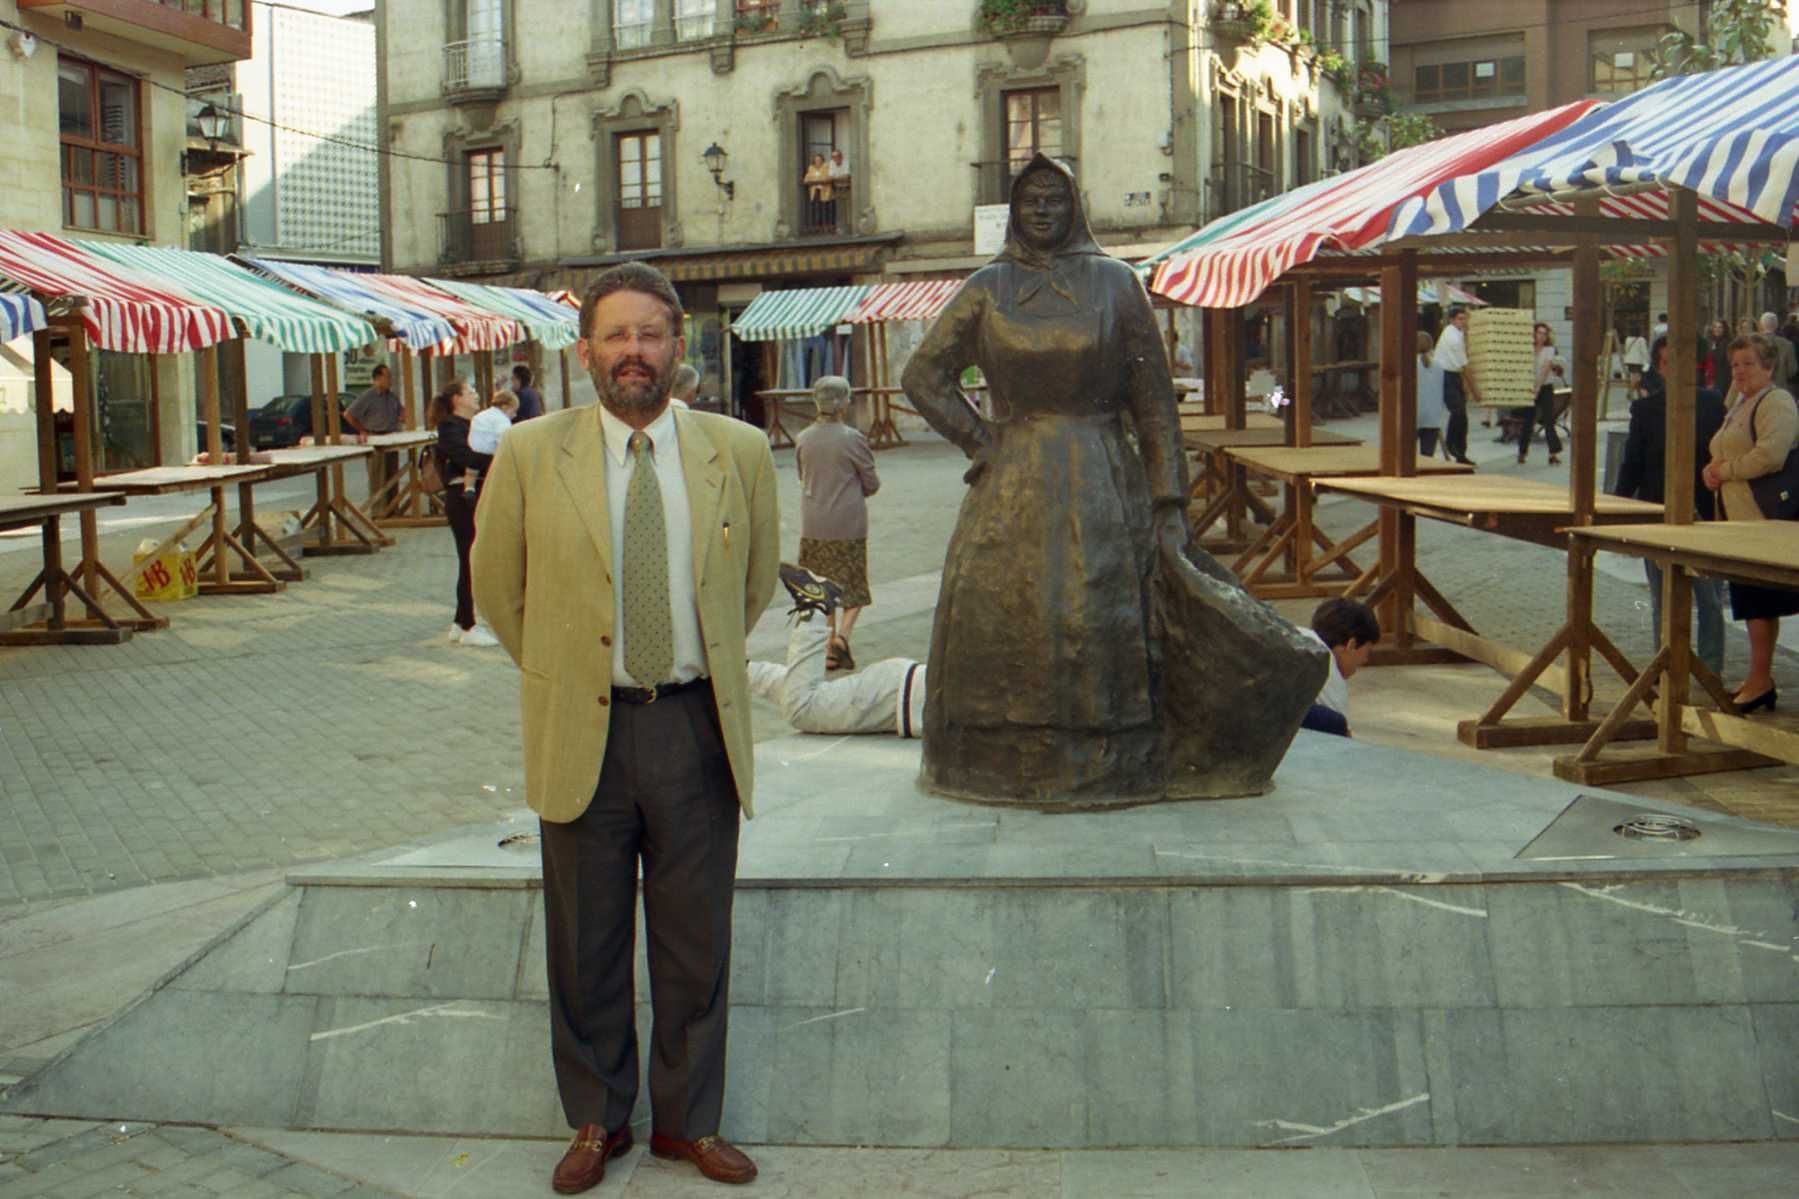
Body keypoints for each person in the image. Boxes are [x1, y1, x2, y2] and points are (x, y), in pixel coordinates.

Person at [470, 261, 777, 1193]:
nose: (633, 352)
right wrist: (568, 672)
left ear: (677, 347)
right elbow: (499, 589)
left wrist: (689, 659)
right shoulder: (529, 454)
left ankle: (688, 1123)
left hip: (691, 728)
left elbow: (752, 582)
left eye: (650, 334)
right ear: (585, 350)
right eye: (616, 335)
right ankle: (598, 1118)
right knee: (585, 937)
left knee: (694, 941)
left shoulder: (739, 451)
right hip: (583, 729)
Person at [899, 152, 1324, 803]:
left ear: (1075, 207)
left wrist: (1169, 503)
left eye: (1054, 198)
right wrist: (978, 440)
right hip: (1010, 484)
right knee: (1007, 615)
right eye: (1030, 199)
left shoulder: (1115, 283)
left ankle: (1111, 760)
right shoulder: (987, 286)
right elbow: (923, 374)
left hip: (1099, 476)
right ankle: (987, 758)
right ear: (1014, 209)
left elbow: (1153, 403)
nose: (1041, 209)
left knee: (1095, 612)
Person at [1614, 336, 1727, 679]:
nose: (1673, 369)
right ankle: (1666, 669)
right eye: (1666, 362)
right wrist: (1618, 510)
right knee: (1662, 601)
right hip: (1659, 513)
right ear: (1659, 368)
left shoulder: (1711, 404)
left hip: (1705, 515)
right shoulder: (1646, 409)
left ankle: (1710, 673)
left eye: (1679, 362)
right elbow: (1631, 463)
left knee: (1709, 601)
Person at [1703, 333, 1799, 713]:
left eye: (1748, 363)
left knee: (1760, 601)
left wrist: (1724, 471)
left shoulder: (1777, 402)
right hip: (1738, 519)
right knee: (1752, 601)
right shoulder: (1739, 402)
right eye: (1736, 363)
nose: (1740, 371)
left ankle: (1761, 681)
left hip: (1766, 519)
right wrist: (1712, 471)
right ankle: (1759, 679)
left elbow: (1771, 455)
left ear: (1768, 366)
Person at [748, 564, 926, 737]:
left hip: (905, 691)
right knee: (803, 708)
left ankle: (736, 671)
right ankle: (814, 607)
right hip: (902, 695)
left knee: (804, 693)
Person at [795, 374, 879, 671]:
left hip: (813, 524)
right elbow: (871, 483)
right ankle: (841, 638)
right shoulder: (853, 438)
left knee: (822, 587)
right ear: (844, 405)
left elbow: (801, 475)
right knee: (854, 588)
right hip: (848, 524)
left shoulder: (803, 438)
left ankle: (830, 646)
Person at [428, 379, 498, 648]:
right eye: (470, 392)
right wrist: (501, 458)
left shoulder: (472, 425)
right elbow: (466, 457)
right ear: (457, 399)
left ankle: (460, 621)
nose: (476, 395)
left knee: (470, 559)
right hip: (462, 498)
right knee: (471, 559)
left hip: (474, 495)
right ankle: (469, 624)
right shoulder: (450, 427)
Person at [1299, 598, 1379, 738]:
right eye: (1367, 652)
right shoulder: (1327, 668)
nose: (1365, 660)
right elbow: (1344, 738)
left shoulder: (1299, 634)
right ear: (1351, 645)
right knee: (1335, 723)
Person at [342, 362, 403, 503]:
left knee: (392, 475)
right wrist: (362, 430)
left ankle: (393, 508)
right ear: (377, 378)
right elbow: (348, 414)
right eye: (387, 377)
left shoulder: (392, 397)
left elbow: (400, 411)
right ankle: (378, 510)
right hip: (375, 438)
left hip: (392, 439)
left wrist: (402, 417)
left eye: (390, 377)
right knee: (378, 477)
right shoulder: (368, 396)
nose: (390, 380)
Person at [1433, 306, 1479, 465]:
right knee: (1458, 412)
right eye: (1460, 318)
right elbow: (1464, 366)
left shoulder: (1456, 333)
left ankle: (1458, 449)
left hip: (1452, 375)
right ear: (1452, 320)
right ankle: (1455, 447)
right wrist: (1475, 390)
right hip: (1446, 375)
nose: (1463, 322)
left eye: (1465, 318)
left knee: (1460, 414)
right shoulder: (1453, 337)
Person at [1519, 321, 1565, 465]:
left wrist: (1537, 389)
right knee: (1528, 421)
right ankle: (1522, 452)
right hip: (1529, 388)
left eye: (1544, 334)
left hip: (1544, 388)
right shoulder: (1527, 350)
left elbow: (1546, 370)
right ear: (1533, 333)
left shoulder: (1549, 350)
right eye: (1539, 333)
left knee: (1549, 420)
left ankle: (1553, 453)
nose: (1542, 336)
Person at [466, 388, 517, 499]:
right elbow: (504, 437)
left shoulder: (481, 415)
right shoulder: (501, 419)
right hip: (490, 453)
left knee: (471, 472)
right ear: (504, 407)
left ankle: (469, 489)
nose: (515, 415)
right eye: (513, 411)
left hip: (473, 450)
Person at [1416, 330, 1447, 459]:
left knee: (1405, 456)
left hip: (1414, 415)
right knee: (1428, 457)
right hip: (1433, 417)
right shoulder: (1439, 366)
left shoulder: (1409, 365)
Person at [1759, 312, 1798, 389]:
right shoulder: (1787, 344)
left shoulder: (1753, 342)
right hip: (1780, 388)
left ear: (1761, 325)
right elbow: (1792, 370)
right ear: (1776, 325)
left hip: (1757, 389)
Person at [803, 152, 832, 229]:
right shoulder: (811, 168)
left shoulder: (826, 166)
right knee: (816, 208)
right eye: (816, 160)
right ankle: (816, 225)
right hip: (814, 190)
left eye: (819, 160)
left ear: (822, 160)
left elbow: (827, 177)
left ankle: (826, 224)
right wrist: (816, 180)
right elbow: (806, 179)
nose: (817, 161)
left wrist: (817, 180)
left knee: (825, 208)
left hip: (824, 190)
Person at [1704, 318, 1732, 392]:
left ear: (1724, 329)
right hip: (1716, 377)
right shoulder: (1714, 342)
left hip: (1722, 378)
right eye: (1715, 327)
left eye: (1720, 327)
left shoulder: (1725, 343)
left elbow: (1720, 359)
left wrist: (1713, 350)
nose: (1717, 329)